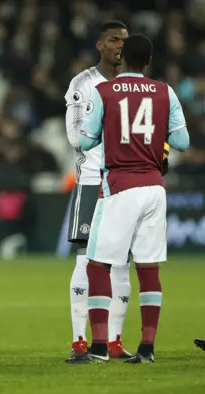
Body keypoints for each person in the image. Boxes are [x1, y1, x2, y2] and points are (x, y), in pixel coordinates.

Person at [68, 34, 190, 364]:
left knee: (97, 266)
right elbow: (182, 140)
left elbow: (86, 138)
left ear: (121, 60)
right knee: (148, 269)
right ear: (148, 61)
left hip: (120, 187)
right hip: (154, 188)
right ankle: (147, 348)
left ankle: (97, 347)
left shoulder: (104, 91)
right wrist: (156, 142)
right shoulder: (165, 92)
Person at [64, 21, 137, 361]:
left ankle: (114, 342)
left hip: (127, 183)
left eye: (124, 40)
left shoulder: (137, 87)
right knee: (86, 258)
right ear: (100, 45)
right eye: (113, 39)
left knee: (122, 263)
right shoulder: (83, 84)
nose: (119, 45)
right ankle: (80, 341)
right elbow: (76, 137)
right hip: (94, 179)